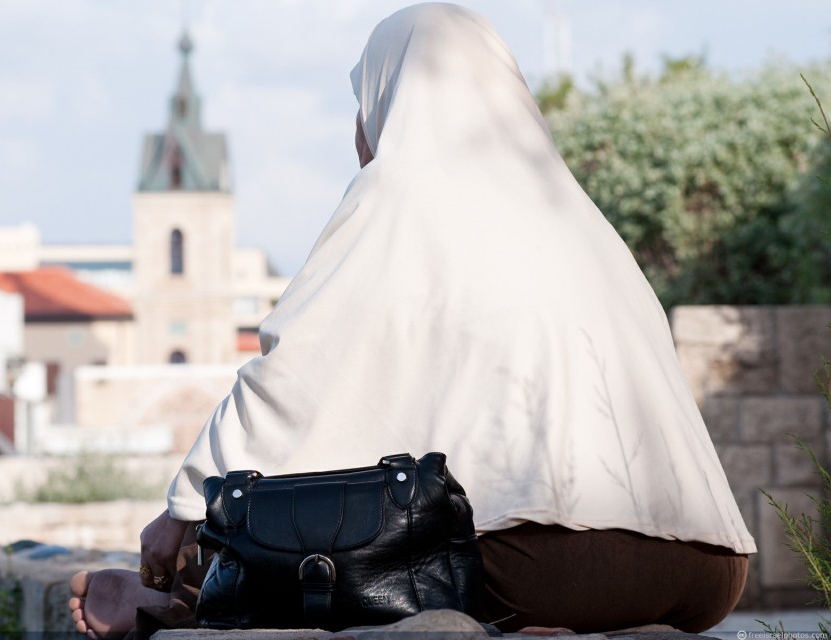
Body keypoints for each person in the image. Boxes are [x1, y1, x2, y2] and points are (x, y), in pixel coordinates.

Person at [69, 3, 754, 636]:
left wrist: (184, 510)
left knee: (316, 559)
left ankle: (178, 603)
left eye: (366, 102)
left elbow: (290, 377)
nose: (359, 129)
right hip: (711, 571)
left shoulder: (397, 195)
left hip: (553, 569)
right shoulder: (581, 219)